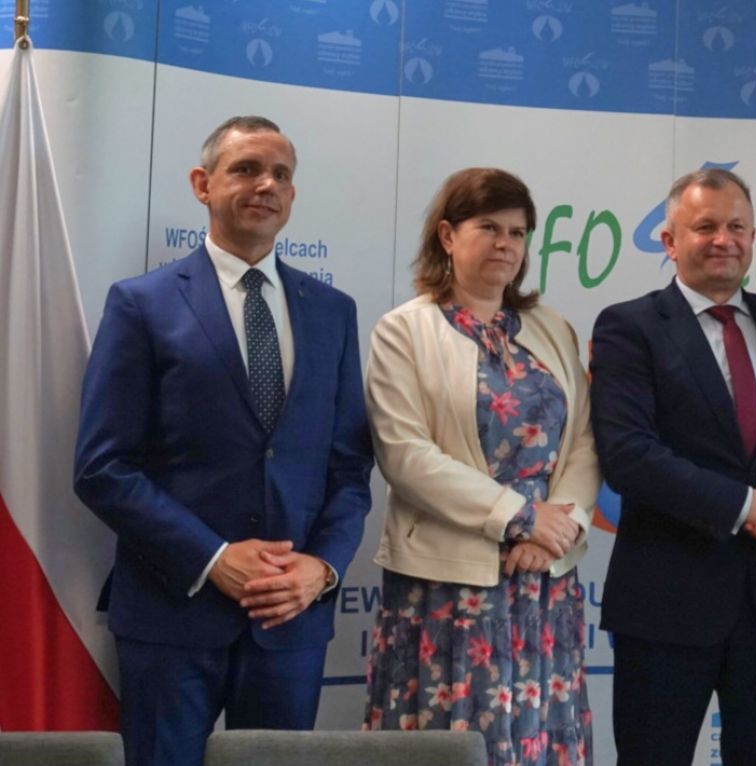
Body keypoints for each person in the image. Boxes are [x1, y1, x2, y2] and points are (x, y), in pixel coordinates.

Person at [74, 115, 374, 766]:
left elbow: (350, 469)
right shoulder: (141, 304)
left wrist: (322, 569)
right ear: (202, 184)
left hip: (290, 621)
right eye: (246, 169)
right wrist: (213, 558)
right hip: (171, 615)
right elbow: (102, 467)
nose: (266, 185)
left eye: (281, 175)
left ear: (292, 195)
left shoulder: (334, 312)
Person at [363, 168, 599, 765]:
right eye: (488, 228)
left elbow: (584, 441)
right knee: (451, 744)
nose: (505, 244)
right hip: (448, 585)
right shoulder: (403, 331)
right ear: (447, 235)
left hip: (543, 579)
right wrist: (521, 517)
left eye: (517, 233)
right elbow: (405, 453)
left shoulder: (553, 328)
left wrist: (559, 528)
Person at [589, 168, 756, 766]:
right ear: (670, 241)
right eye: (706, 227)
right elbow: (629, 456)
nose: (724, 240)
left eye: (737, 227)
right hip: (666, 605)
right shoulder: (629, 326)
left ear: (754, 237)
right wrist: (748, 507)